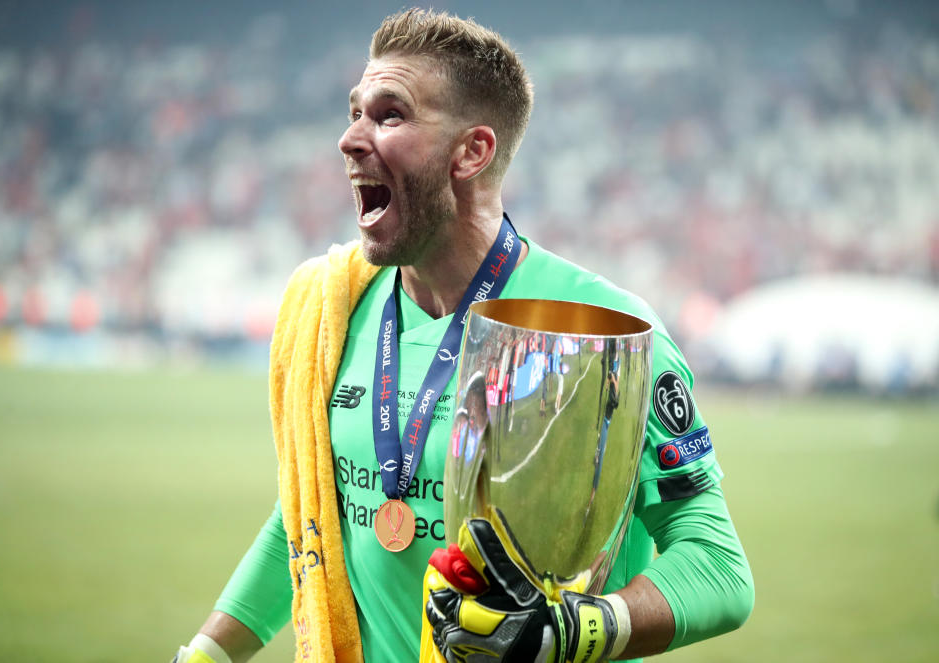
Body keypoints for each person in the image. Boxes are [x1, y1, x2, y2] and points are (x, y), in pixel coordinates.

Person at [172, 8, 753, 663]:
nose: (351, 138)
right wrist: (206, 654)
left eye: (389, 115)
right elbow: (313, 518)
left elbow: (719, 566)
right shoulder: (335, 310)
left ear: (472, 151)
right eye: (354, 111)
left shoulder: (605, 327)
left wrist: (568, 632)